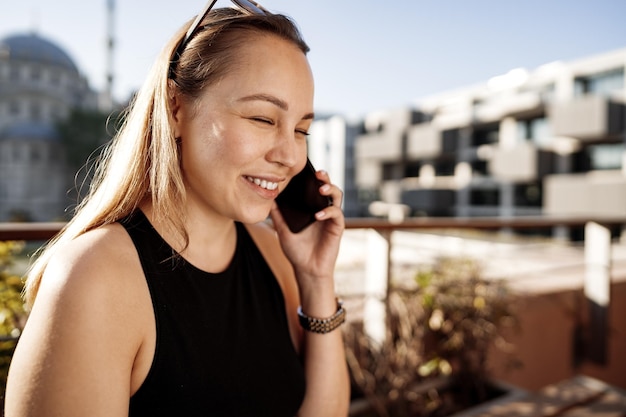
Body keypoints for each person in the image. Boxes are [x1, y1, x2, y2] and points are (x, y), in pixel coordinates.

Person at [4, 1, 350, 416]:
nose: (291, 156)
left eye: (301, 130)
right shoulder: (93, 279)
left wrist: (316, 281)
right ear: (176, 107)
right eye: (262, 118)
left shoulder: (274, 256)